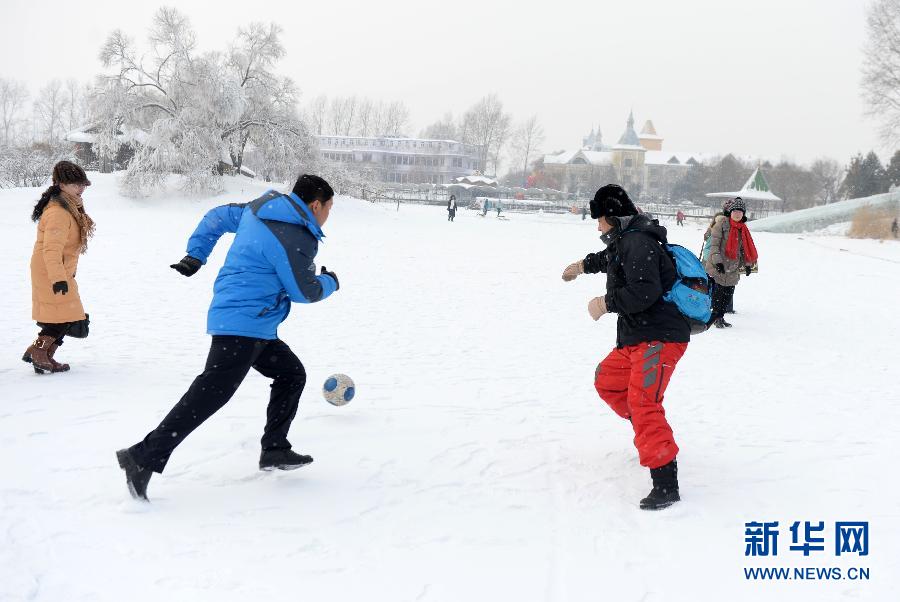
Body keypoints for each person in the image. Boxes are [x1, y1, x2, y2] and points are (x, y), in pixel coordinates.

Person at [116, 174, 340, 501]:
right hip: (245, 324)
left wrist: (197, 254)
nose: (328, 215)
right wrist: (330, 282)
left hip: (249, 321)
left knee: (291, 374)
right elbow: (304, 292)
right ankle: (142, 456)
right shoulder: (295, 236)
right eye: (329, 208)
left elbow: (217, 217)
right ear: (315, 204)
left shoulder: (259, 209)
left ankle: (275, 448)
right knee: (210, 394)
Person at [561, 184, 690, 510]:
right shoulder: (628, 241)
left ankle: (665, 484)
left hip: (659, 338)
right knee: (608, 381)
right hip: (637, 337)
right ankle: (648, 432)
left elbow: (644, 293)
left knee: (643, 402)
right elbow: (610, 259)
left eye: (601, 220)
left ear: (615, 218)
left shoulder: (638, 242)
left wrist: (605, 303)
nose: (598, 227)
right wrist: (581, 266)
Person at [23, 161, 95, 374]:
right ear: (61, 185)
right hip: (51, 271)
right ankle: (39, 353)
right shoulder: (59, 212)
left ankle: (41, 353)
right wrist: (58, 278)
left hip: (59, 270)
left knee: (64, 315)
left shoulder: (69, 206)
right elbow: (51, 250)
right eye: (75, 184)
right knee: (67, 315)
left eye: (83, 184)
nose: (81, 188)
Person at [705, 197, 758, 328]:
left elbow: (744, 249)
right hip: (720, 266)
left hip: (733, 267)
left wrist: (747, 265)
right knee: (718, 295)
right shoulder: (721, 224)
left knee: (727, 296)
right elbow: (714, 246)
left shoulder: (742, 229)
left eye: (740, 212)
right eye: (735, 211)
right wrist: (717, 262)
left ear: (743, 214)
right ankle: (715, 318)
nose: (737, 214)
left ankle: (721, 317)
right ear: (730, 212)